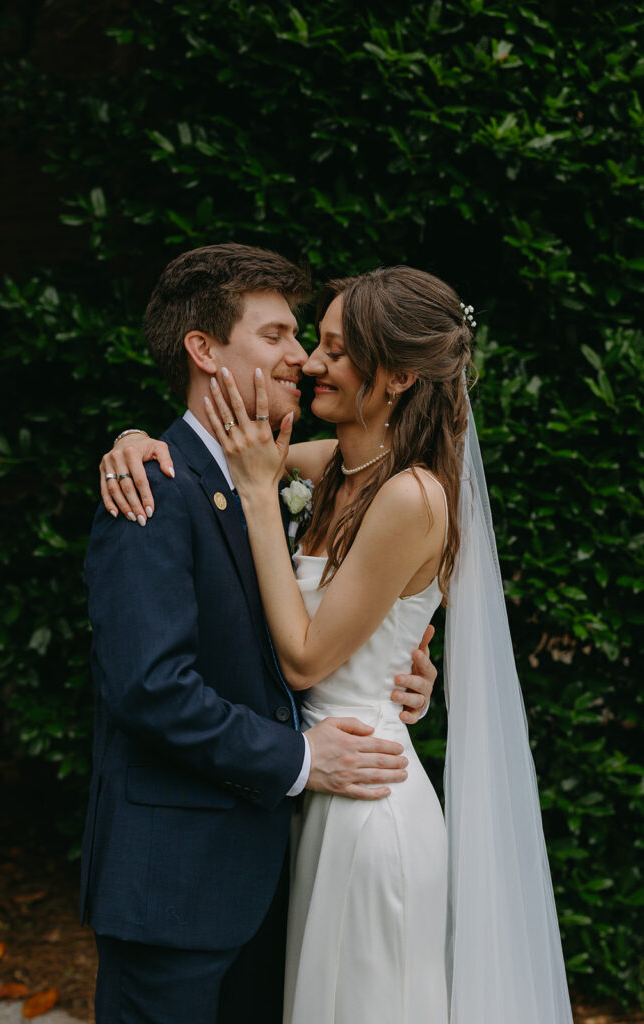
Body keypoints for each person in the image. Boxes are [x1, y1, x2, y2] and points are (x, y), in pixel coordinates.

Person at [111, 264, 573, 1024]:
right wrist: (129, 441)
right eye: (308, 342)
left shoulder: (411, 495)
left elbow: (303, 658)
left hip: (369, 807)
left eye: (332, 348)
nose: (309, 364)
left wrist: (263, 498)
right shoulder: (341, 466)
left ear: (393, 376)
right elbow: (203, 464)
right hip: (315, 796)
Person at [82, 243, 437, 1024]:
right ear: (203, 350)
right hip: (175, 886)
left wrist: (397, 673)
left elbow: (306, 631)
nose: (302, 359)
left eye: (307, 340)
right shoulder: (152, 486)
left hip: (278, 864)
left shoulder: (268, 470)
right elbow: (150, 687)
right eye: (276, 335)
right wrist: (302, 757)